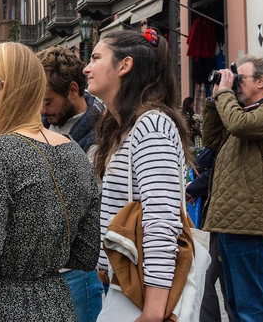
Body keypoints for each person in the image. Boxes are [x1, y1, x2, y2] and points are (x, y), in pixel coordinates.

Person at [0, 42, 100, 321]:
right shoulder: (73, 149)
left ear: (4, 88)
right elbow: (86, 253)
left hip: (0, 306)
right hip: (57, 304)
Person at [84, 29, 192, 320]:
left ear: (124, 65)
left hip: (140, 293)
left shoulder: (152, 126)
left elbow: (161, 220)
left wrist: (154, 312)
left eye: (95, 58)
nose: (86, 67)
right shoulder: (125, 127)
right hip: (124, 283)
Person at [203, 55, 263, 322]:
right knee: (236, 306)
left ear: (262, 81)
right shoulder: (243, 111)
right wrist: (215, 100)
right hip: (232, 221)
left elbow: (237, 126)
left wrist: (225, 94)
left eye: (240, 78)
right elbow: (211, 139)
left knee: (252, 306)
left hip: (251, 222)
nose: (235, 83)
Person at [37, 45, 104, 322]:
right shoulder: (42, 124)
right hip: (47, 266)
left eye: (48, 101)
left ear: (73, 91)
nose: (43, 109)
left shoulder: (99, 134)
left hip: (77, 270)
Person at [185, 146, 233, 322]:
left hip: (221, 221)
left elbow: (216, 172)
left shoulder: (229, 134)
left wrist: (192, 187)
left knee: (205, 280)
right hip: (215, 220)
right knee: (224, 283)